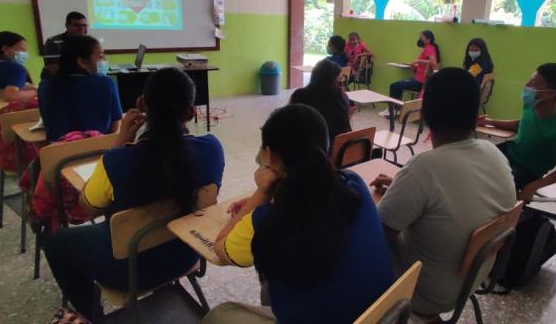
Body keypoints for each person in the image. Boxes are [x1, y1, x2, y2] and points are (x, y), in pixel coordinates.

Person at [43, 67, 225, 322]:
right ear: (192, 111)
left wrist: (119, 141)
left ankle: (91, 316)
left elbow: (88, 207)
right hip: (186, 252)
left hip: (127, 270)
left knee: (55, 242)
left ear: (141, 104)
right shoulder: (212, 149)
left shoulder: (119, 160)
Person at [206, 104, 393, 324]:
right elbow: (312, 202)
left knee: (220, 314)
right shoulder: (355, 184)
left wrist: (262, 193)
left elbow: (220, 247)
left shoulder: (268, 221)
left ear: (270, 156)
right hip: (378, 315)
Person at [372, 67, 516, 318]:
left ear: (425, 114)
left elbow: (376, 238)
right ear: (476, 114)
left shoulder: (423, 168)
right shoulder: (494, 153)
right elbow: (455, 190)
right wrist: (402, 186)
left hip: (425, 292)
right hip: (473, 277)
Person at [479, 63, 556, 201]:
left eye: (532, 84)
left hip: (526, 170)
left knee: (485, 187)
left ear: (550, 94)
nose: (526, 86)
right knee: (472, 163)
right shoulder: (532, 105)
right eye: (529, 80)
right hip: (511, 152)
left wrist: (535, 185)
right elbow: (521, 124)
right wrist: (489, 122)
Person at [38, 35, 122, 141]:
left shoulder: (45, 85)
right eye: (100, 57)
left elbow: (47, 123)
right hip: (98, 150)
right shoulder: (107, 83)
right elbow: (115, 127)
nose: (105, 60)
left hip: (57, 153)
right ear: (82, 62)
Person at [289, 60, 352, 146]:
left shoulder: (299, 95)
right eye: (339, 78)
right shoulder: (342, 97)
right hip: (336, 150)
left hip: (307, 149)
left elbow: (288, 119)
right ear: (334, 79)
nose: (340, 81)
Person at [388, 30, 440, 102]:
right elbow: (425, 66)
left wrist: (418, 61)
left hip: (420, 82)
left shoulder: (429, 48)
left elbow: (433, 62)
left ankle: (393, 108)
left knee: (394, 86)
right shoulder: (429, 48)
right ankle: (396, 107)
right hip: (418, 79)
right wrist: (414, 66)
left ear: (428, 40)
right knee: (397, 85)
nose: (420, 39)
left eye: (422, 38)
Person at [42, 12, 88, 79]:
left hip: (84, 80)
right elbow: (52, 67)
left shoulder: (90, 43)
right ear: (67, 25)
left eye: (84, 25)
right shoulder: (53, 41)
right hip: (58, 82)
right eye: (76, 25)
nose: (81, 28)